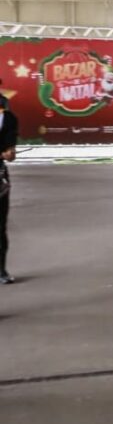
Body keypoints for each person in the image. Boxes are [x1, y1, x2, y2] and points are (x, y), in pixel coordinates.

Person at [0, 96, 18, 285]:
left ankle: (1, 270)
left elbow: (10, 153)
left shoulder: (9, 117)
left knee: (0, 226)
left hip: (0, 177)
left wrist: (9, 152)